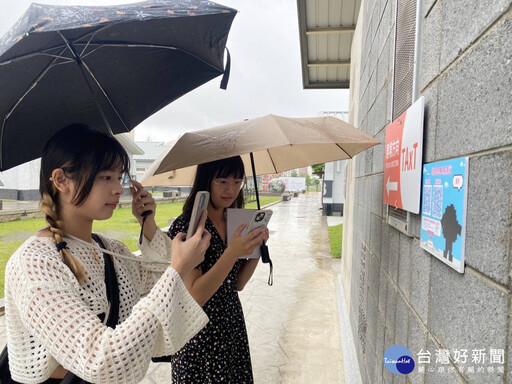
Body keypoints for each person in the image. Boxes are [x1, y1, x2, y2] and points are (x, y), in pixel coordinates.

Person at [4, 124, 211, 383]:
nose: (117, 188)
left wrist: (148, 225)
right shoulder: (34, 264)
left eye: (119, 177)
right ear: (61, 181)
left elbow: (159, 284)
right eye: (105, 177)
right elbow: (98, 361)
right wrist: (178, 268)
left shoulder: (111, 250)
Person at [166, 156, 268, 384]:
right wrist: (232, 252)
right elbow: (195, 295)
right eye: (222, 181)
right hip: (199, 334)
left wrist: (255, 250)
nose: (231, 189)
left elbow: (237, 284)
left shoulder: (234, 220)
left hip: (231, 325)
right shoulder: (188, 227)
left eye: (237, 181)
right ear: (206, 181)